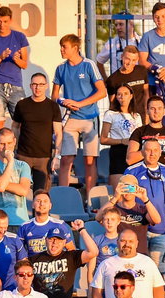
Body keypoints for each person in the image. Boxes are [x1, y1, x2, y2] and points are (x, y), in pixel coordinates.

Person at [52, 34, 106, 193]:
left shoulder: (89, 65)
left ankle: (90, 198)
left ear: (75, 48)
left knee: (90, 160)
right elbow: (54, 96)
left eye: (65, 47)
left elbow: (102, 92)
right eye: (61, 46)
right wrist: (63, 102)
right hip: (70, 119)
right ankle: (64, 196)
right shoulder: (61, 68)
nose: (61, 50)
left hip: (90, 118)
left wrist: (80, 104)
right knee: (66, 159)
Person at [123, 138, 165, 270]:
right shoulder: (132, 171)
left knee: (158, 272)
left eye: (155, 150)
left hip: (161, 229)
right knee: (136, 270)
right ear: (142, 152)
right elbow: (125, 198)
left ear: (161, 152)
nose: (152, 154)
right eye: (148, 150)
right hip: (138, 229)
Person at [12, 73, 62, 192]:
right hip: (23, 156)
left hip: (44, 158)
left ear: (46, 86)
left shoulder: (53, 106)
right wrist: (13, 148)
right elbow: (14, 127)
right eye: (34, 84)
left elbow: (59, 133)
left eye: (41, 84)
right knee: (19, 193)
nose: (37, 87)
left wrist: (57, 156)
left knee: (41, 194)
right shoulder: (22, 105)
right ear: (30, 86)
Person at [0, 128, 32, 228]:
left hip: (19, 221)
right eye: (2, 144)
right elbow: (1, 187)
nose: (6, 148)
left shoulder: (23, 165)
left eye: (9, 143)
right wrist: (10, 162)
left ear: (14, 141)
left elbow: (23, 190)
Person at [100, 84, 143, 188]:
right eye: (119, 94)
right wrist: (121, 141)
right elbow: (103, 139)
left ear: (131, 96)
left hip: (133, 151)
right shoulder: (110, 114)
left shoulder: (137, 116)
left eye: (125, 94)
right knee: (119, 189)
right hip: (118, 152)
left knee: (134, 188)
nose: (122, 97)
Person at [126, 95, 165, 169]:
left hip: (164, 175)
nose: (156, 112)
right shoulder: (139, 132)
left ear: (164, 111)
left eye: (159, 108)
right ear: (147, 111)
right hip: (143, 174)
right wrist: (148, 147)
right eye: (152, 109)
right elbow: (129, 160)